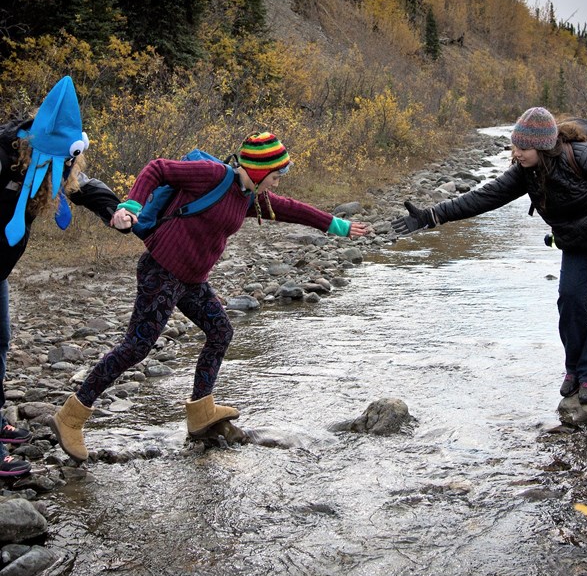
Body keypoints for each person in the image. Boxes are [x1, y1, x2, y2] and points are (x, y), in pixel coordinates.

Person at [48, 131, 371, 463]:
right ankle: (71, 417)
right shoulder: (214, 176)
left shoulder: (248, 196)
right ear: (259, 170)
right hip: (161, 270)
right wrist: (132, 204)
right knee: (137, 346)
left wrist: (337, 225)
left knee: (220, 331)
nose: (277, 182)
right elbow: (157, 168)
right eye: (275, 175)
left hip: (190, 280)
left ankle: (201, 412)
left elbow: (291, 210)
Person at [391, 106, 587, 406]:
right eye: (515, 145)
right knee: (570, 298)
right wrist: (431, 216)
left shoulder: (584, 158)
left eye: (524, 147)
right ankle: (574, 368)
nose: (517, 153)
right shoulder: (525, 173)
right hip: (577, 238)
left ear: (544, 146)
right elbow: (483, 198)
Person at [0, 76, 132, 477]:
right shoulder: (5, 156)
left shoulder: (55, 158)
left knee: (0, 342)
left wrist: (113, 212)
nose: (69, 168)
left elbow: (82, 187)